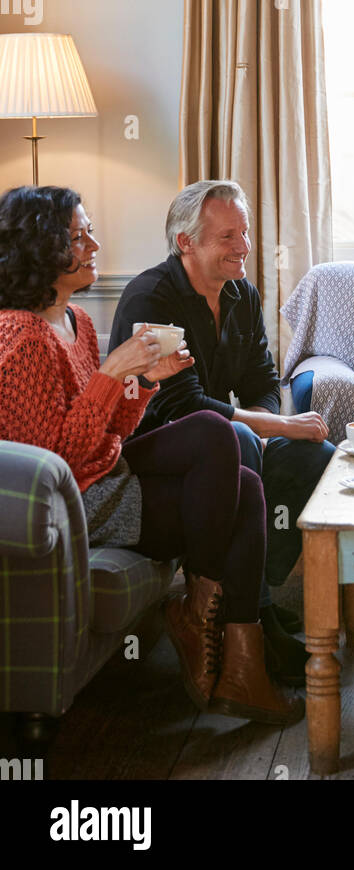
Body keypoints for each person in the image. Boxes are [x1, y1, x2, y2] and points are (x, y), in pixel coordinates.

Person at [0, 185, 299, 727]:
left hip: (104, 472)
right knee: (216, 436)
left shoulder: (78, 323)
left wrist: (138, 384)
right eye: (77, 235)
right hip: (78, 506)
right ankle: (202, 617)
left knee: (233, 460)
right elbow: (53, 467)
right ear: (40, 249)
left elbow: (108, 429)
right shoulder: (21, 338)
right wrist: (114, 375)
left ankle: (240, 664)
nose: (94, 243)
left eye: (89, 229)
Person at [109, 180, 335, 685]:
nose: (245, 248)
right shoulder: (151, 296)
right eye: (228, 237)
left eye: (246, 233)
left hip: (221, 438)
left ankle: (259, 593)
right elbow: (181, 405)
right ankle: (252, 619)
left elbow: (262, 380)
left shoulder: (241, 295)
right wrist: (271, 427)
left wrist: (267, 424)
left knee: (313, 454)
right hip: (159, 454)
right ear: (186, 242)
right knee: (238, 441)